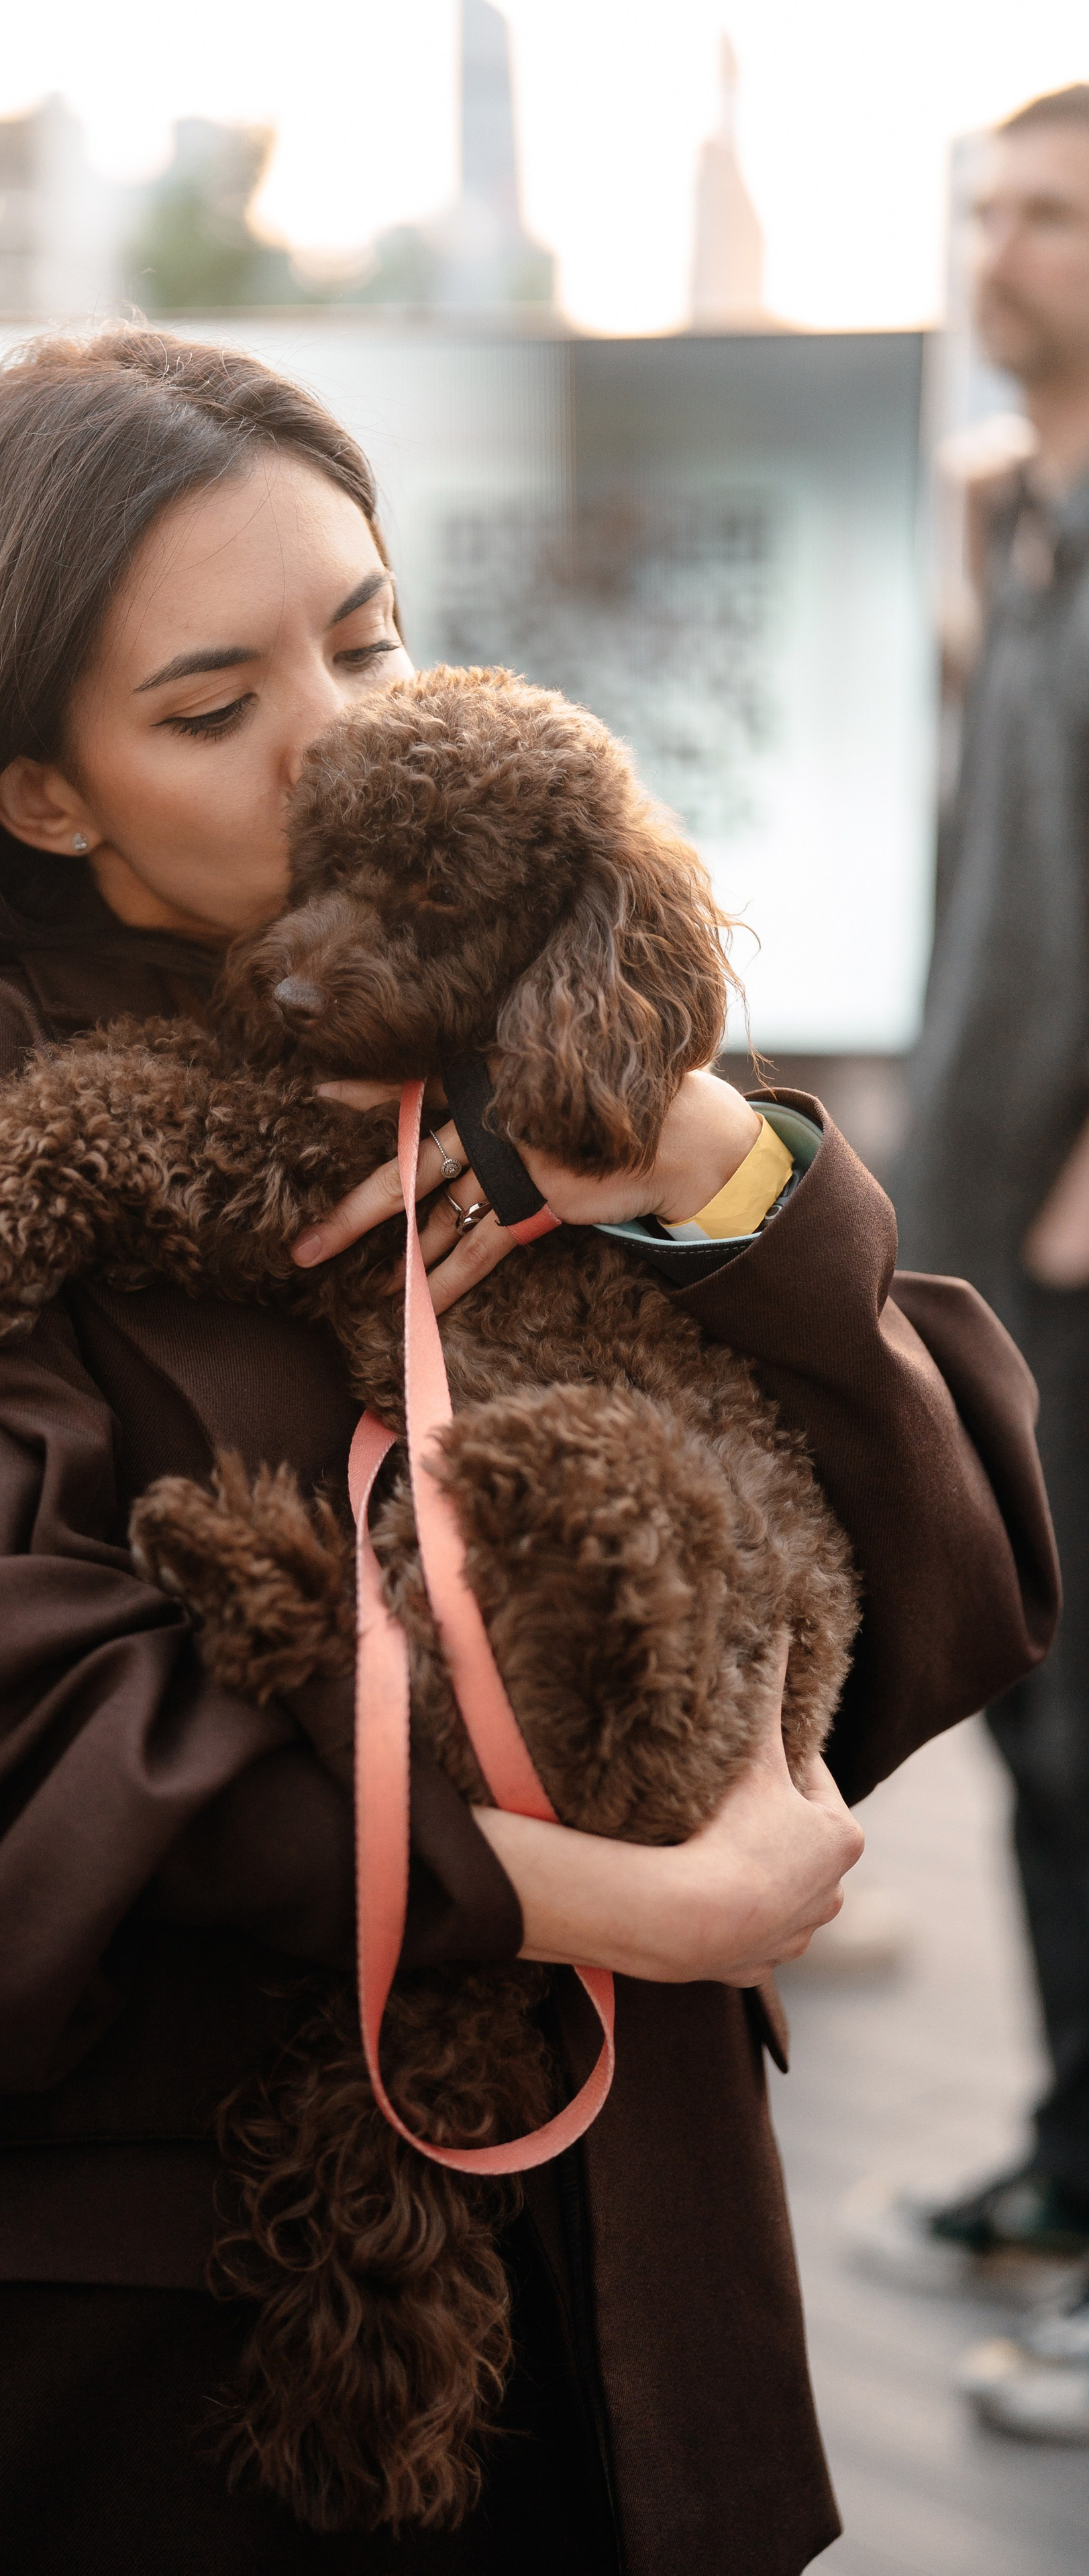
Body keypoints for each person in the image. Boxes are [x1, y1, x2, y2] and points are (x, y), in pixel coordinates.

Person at [0, 325, 1055, 2574]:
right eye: (212, 709)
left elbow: (942, 1568)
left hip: (624, 2298)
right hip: (166, 2373)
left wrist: (720, 1181)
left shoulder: (530, 1021)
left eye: (371, 638)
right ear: (36, 787)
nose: (336, 745)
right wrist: (625, 1902)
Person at [891, 84, 1089, 2440]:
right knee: (1046, 1739)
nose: (1004, 242)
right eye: (994, 203)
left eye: (1055, 210)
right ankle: (1070, 2169)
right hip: (1003, 1264)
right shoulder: (1028, 529)